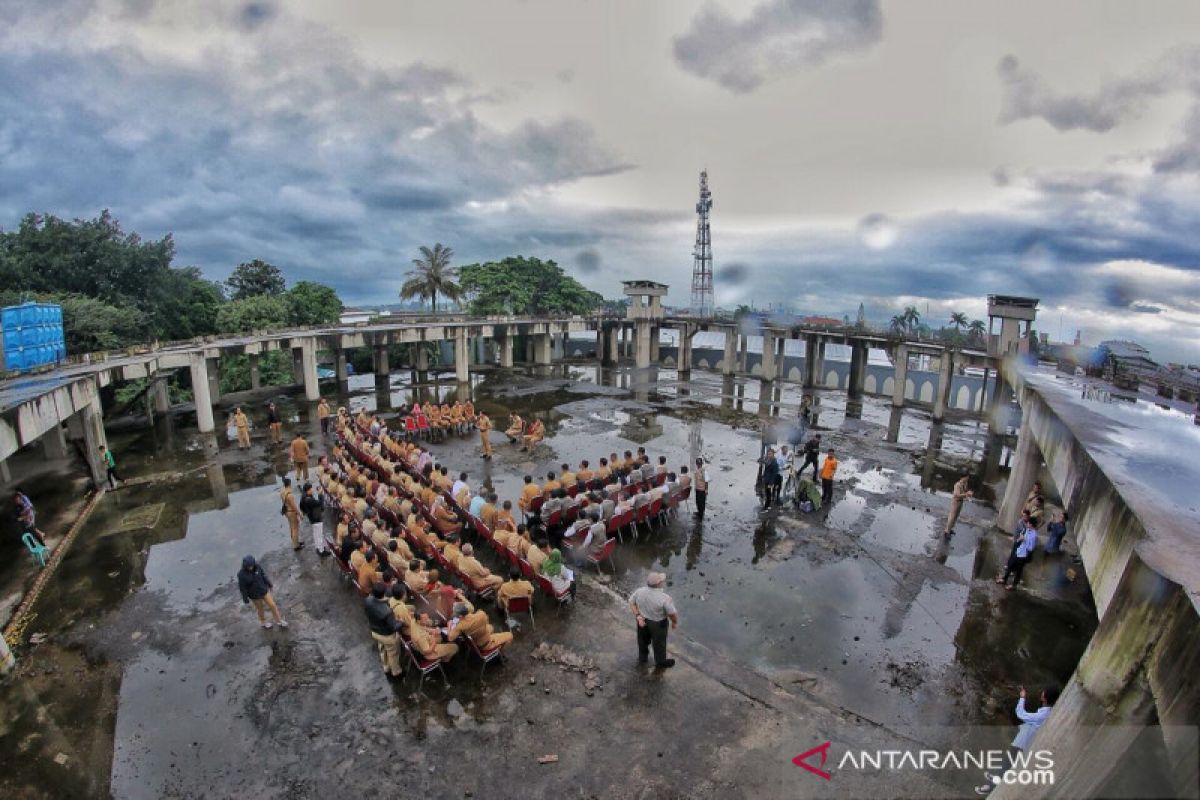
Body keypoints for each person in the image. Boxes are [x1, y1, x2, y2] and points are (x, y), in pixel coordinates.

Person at [977, 686, 1060, 793]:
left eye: (1044, 692)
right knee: (1007, 763)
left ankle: (989, 788)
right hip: (1022, 739)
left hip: (1022, 743)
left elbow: (1021, 714)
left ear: (1046, 697)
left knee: (1007, 765)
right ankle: (995, 779)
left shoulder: (1042, 715)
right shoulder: (1046, 711)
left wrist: (1022, 698)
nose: (1042, 692)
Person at [629, 572, 678, 669]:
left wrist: (638, 615)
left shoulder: (640, 591)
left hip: (642, 620)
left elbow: (631, 602)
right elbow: (672, 614)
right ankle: (660, 661)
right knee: (659, 644)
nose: (663, 582)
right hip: (658, 624)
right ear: (659, 584)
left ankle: (643, 658)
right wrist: (674, 622)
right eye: (662, 581)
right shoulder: (664, 598)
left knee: (642, 641)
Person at [364, 582, 404, 678]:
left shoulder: (368, 600)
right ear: (384, 594)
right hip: (387, 635)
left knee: (382, 649)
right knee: (393, 654)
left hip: (374, 631)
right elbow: (394, 627)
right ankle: (396, 672)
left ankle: (386, 667)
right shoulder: (387, 611)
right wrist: (400, 621)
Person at [237, 555, 287, 629]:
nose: (250, 567)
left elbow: (263, 576)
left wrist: (269, 583)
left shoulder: (257, 567)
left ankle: (279, 620)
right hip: (255, 596)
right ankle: (263, 622)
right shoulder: (241, 574)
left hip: (264, 590)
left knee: (272, 605)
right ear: (245, 566)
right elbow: (242, 587)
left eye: (251, 565)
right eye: (248, 566)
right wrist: (245, 598)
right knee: (260, 609)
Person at [998, 520, 1038, 589]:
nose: (1027, 524)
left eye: (1028, 523)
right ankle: (1004, 579)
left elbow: (1031, 548)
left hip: (1023, 555)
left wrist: (1024, 540)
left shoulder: (1034, 536)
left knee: (1019, 571)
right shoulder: (1027, 530)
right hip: (1019, 551)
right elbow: (1022, 538)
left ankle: (1014, 585)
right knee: (1010, 565)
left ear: (1031, 524)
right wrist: (1020, 539)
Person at [299, 482, 327, 555]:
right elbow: (319, 503)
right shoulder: (308, 499)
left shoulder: (304, 497)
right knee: (319, 535)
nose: (312, 490)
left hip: (312, 518)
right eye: (311, 488)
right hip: (316, 517)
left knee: (316, 534)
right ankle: (321, 551)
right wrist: (320, 494)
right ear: (308, 490)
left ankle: (318, 547)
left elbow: (301, 507)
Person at [279, 477, 303, 551]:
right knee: (295, 529)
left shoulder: (282, 491)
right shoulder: (290, 495)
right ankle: (296, 545)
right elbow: (294, 506)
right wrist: (299, 514)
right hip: (291, 512)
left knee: (291, 528)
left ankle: (295, 542)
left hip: (287, 512)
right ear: (289, 483)